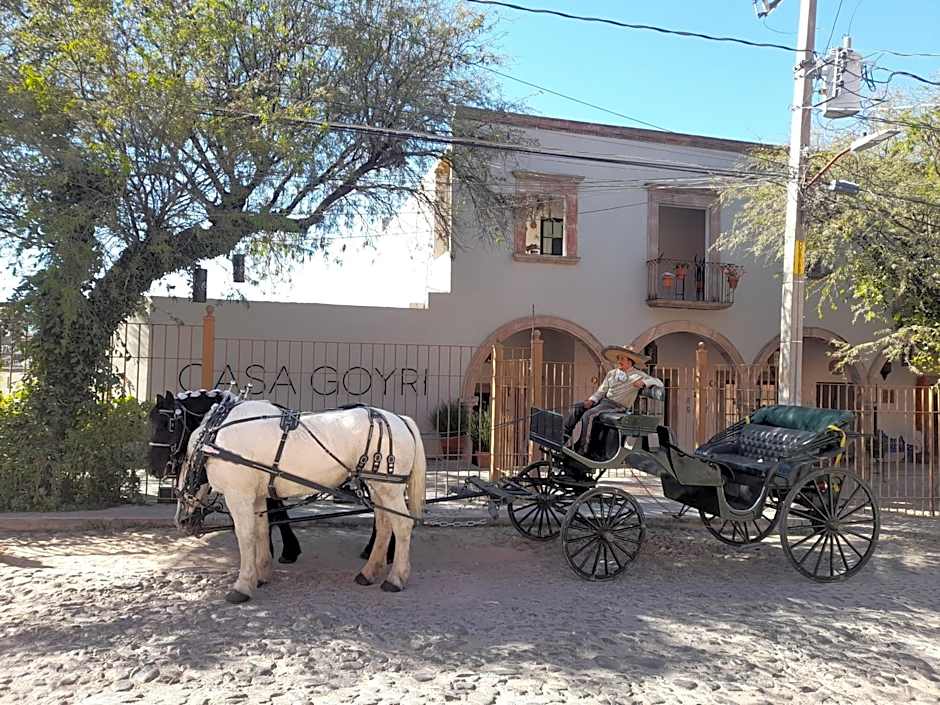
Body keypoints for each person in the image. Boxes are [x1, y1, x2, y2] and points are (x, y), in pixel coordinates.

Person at [564, 344, 664, 454]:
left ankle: (584, 448)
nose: (619, 361)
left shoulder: (638, 375)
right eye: (618, 359)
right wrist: (591, 400)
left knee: (589, 415)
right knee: (577, 407)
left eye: (622, 359)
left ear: (630, 361)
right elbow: (601, 390)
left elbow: (659, 382)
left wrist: (644, 382)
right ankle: (563, 438)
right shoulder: (612, 373)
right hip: (603, 403)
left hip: (618, 406)